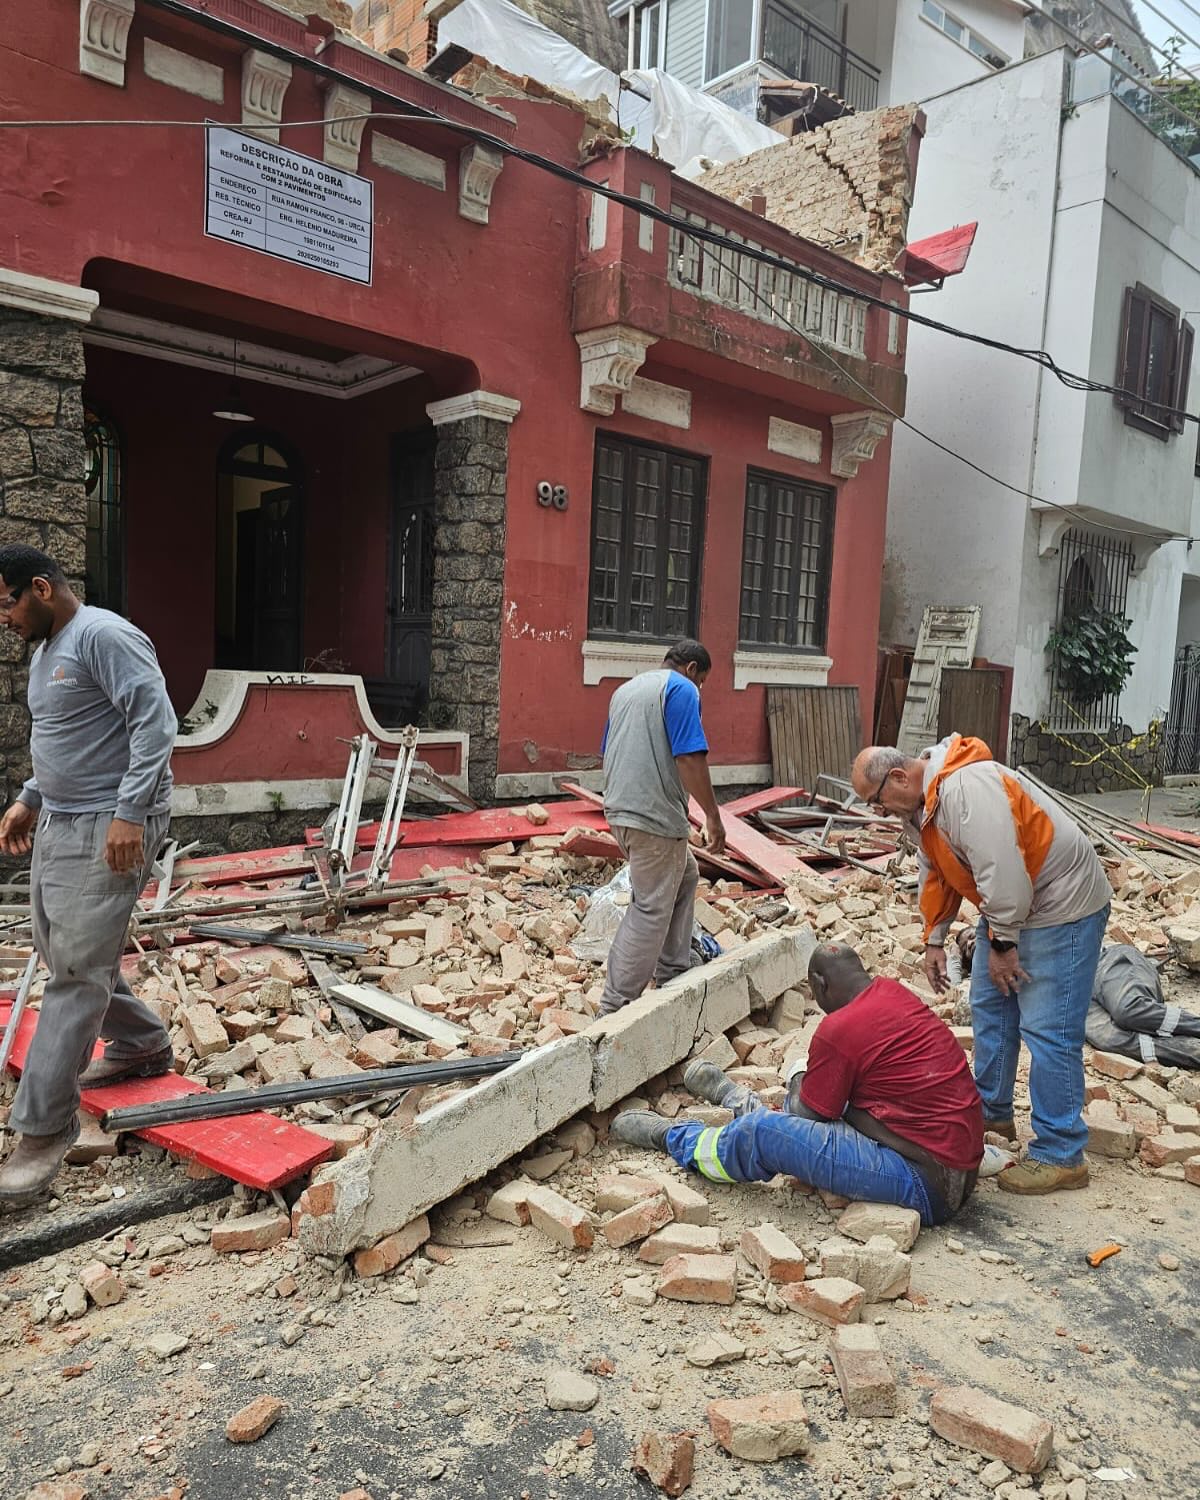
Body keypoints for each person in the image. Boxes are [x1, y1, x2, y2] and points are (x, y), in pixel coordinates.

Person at [850, 735, 1111, 1194]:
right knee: (992, 1004)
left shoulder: (965, 788)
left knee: (1048, 1027)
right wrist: (934, 938)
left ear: (897, 777)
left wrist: (1004, 945)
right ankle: (992, 1109)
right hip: (1015, 904)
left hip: (1061, 902)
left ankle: (1061, 1152)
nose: (878, 812)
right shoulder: (924, 806)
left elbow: (1003, 870)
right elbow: (939, 871)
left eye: (876, 801)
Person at [0, 545, 177, 1205]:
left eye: (6, 601)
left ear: (40, 588)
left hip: (112, 824)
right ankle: (142, 1044)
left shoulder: (104, 636)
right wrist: (30, 797)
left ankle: (43, 1129)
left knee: (74, 971)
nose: (3, 618)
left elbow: (155, 724)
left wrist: (130, 815)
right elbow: (63, 736)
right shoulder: (47, 653)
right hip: (62, 819)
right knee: (62, 950)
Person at [611, 944, 983, 1225]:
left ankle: (677, 1138)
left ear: (820, 983)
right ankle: (735, 1098)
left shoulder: (840, 1028)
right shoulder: (893, 993)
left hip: (925, 1182)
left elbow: (807, 1114)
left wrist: (800, 1078)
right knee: (808, 1114)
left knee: (765, 1134)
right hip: (941, 1163)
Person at [598, 639, 725, 1015]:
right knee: (651, 907)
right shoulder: (682, 688)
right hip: (653, 817)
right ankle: (614, 1008)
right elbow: (688, 756)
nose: (700, 690)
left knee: (686, 874)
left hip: (620, 809)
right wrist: (713, 817)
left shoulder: (627, 690)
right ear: (691, 669)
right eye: (702, 681)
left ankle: (673, 969)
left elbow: (609, 748)